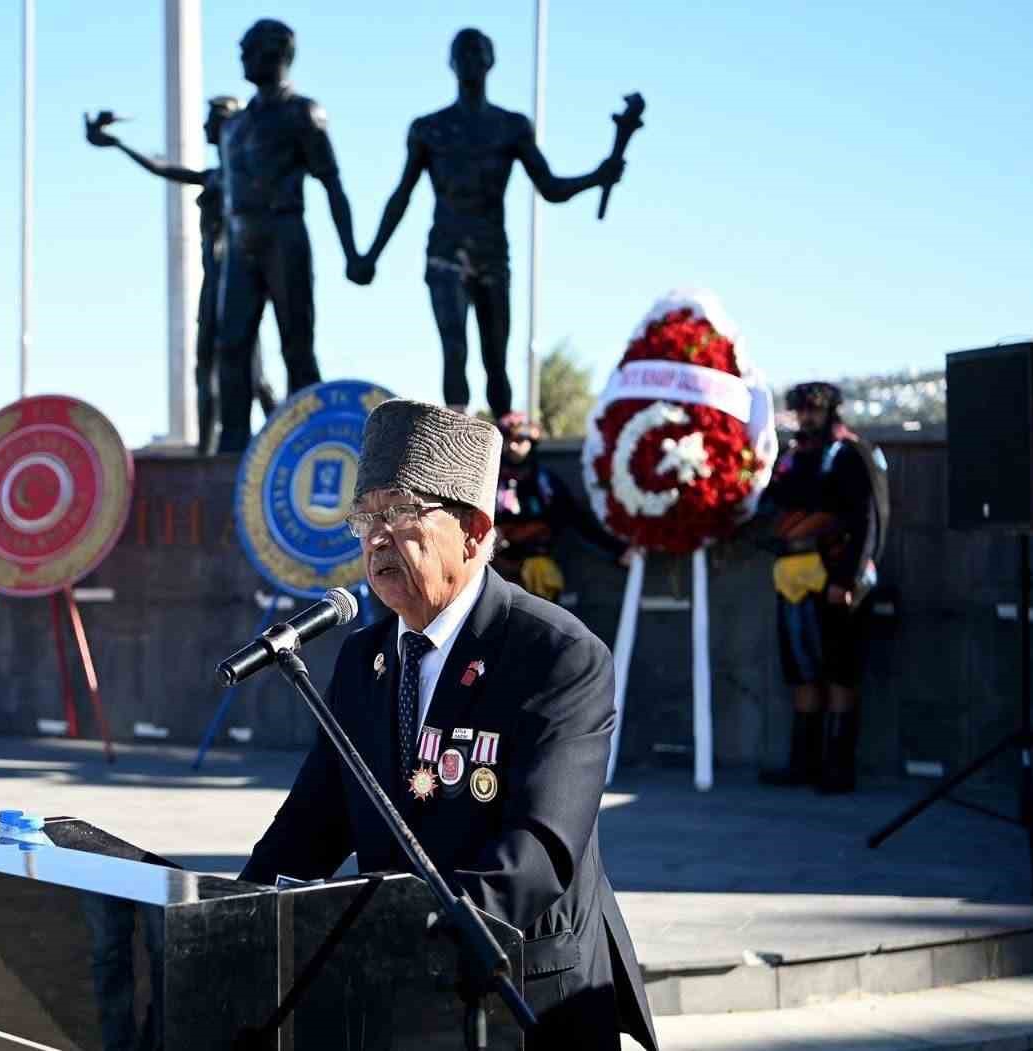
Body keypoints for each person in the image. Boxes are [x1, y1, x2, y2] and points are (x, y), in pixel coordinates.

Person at [239, 400, 657, 1051]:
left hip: (527, 993)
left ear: (474, 530)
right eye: (365, 517)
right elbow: (310, 824)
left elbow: (540, 846)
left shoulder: (555, 654)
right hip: (399, 994)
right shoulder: (364, 658)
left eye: (401, 512)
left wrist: (414, 939)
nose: (376, 538)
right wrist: (231, 916)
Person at [350, 29, 623, 415]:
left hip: (492, 253)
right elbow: (401, 196)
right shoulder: (429, 129)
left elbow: (550, 187)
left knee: (496, 358)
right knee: (454, 350)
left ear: (490, 62)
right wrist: (371, 255)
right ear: (451, 62)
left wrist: (597, 176)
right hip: (445, 252)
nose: (470, 59)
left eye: (477, 52)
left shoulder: (510, 127)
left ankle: (503, 440)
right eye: (462, 52)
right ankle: (455, 430)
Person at [84, 100, 277, 454]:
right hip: (213, 281)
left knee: (253, 372)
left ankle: (284, 437)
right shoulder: (214, 176)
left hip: (237, 282)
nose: (203, 126)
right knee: (205, 366)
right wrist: (118, 144)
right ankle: (205, 451)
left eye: (210, 120)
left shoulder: (244, 178)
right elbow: (165, 168)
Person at [213, 19, 363, 452]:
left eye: (249, 48)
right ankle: (232, 446)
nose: (242, 55)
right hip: (240, 239)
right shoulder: (234, 125)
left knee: (296, 343)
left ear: (276, 53)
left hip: (284, 234)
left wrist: (352, 253)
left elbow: (332, 184)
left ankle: (311, 440)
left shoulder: (302, 113)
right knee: (231, 343)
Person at [759, 382, 887, 794]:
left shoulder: (850, 453)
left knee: (839, 672)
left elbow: (868, 519)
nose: (806, 417)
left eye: (813, 409)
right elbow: (773, 505)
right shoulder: (793, 457)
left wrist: (847, 579)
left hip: (834, 578)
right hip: (792, 578)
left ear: (831, 410)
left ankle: (838, 768)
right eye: (801, 410)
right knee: (800, 671)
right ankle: (803, 765)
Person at [490, 411, 638, 601]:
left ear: (531, 442)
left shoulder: (546, 483)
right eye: (507, 440)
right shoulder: (490, 481)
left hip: (537, 571)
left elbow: (578, 519)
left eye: (519, 440)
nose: (512, 446)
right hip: (494, 568)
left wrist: (618, 550)